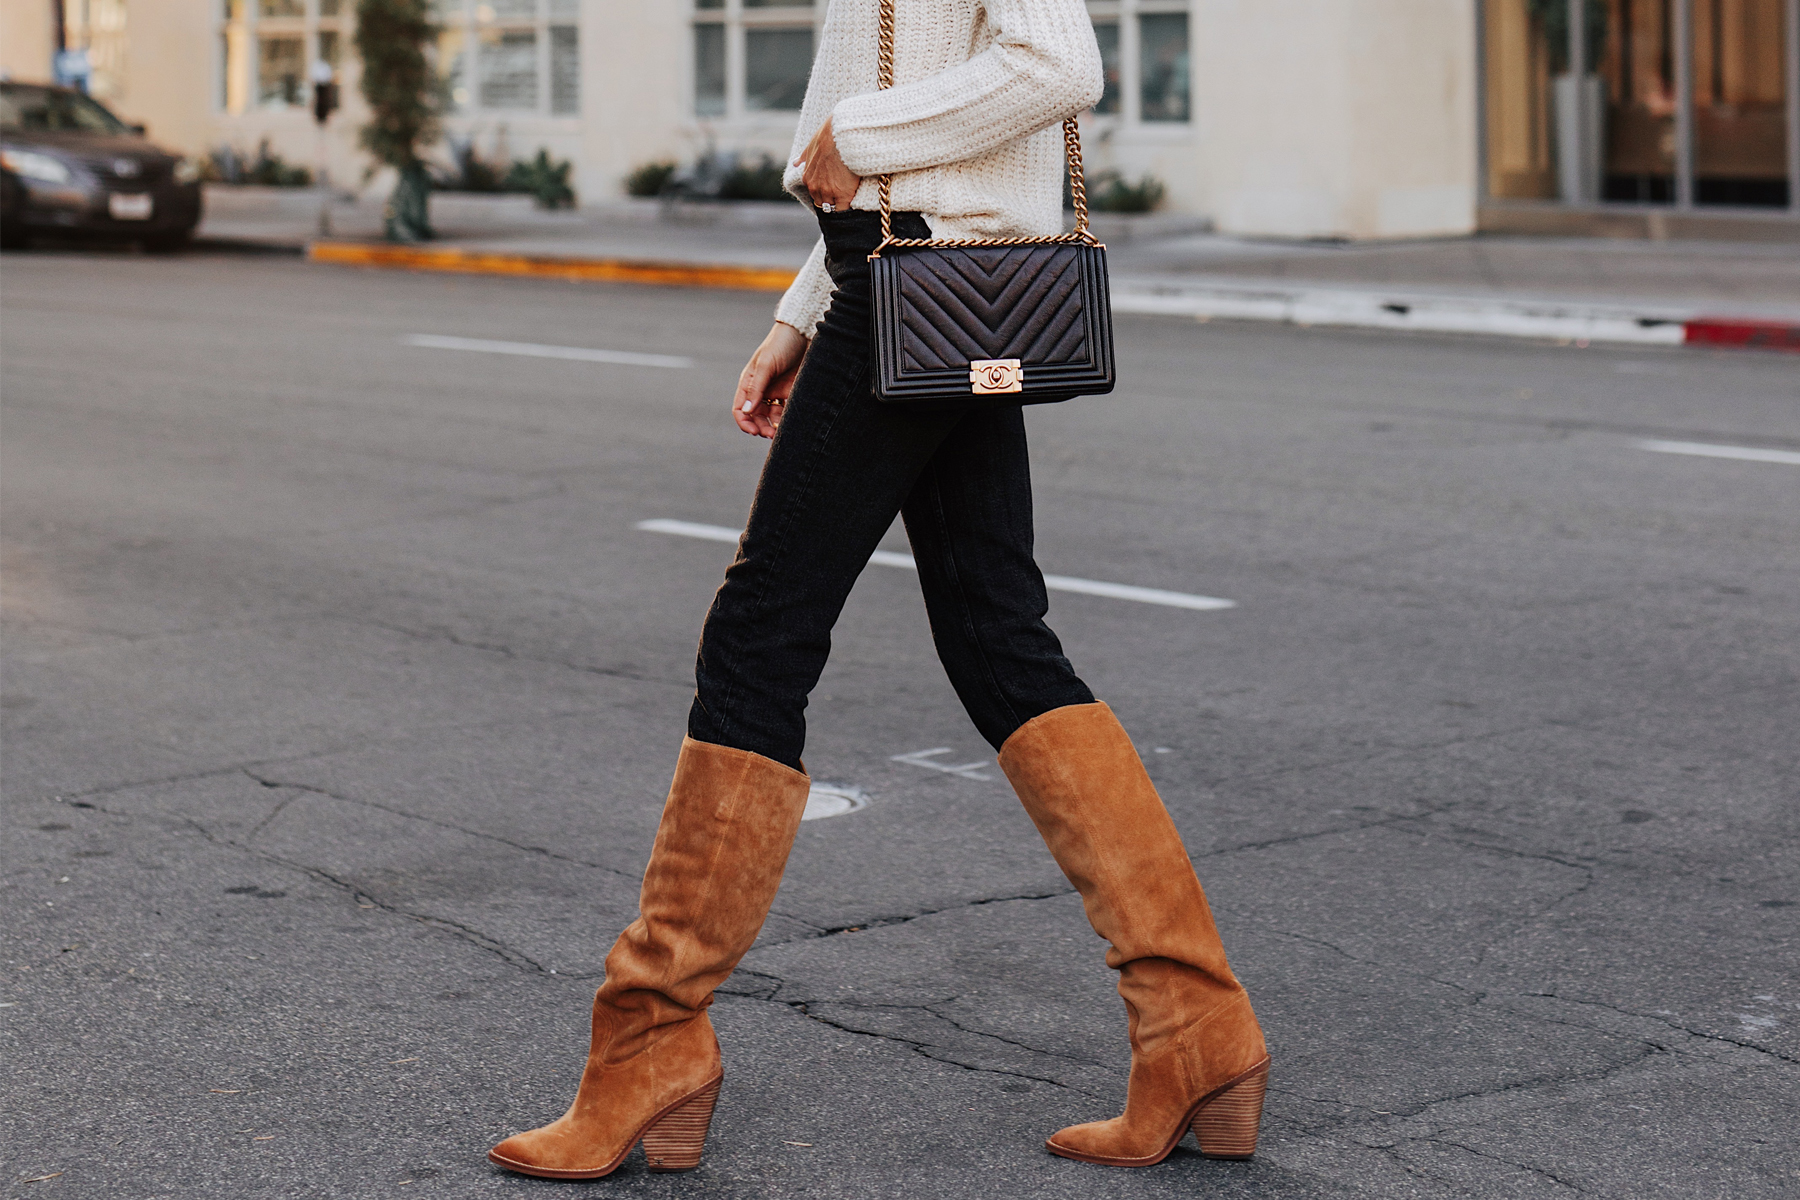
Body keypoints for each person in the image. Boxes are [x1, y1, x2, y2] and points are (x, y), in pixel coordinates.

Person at [487, 0, 1267, 1179]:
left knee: (763, 631)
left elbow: (1056, 62)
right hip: (917, 284)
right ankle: (1196, 1024)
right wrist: (800, 314)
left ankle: (649, 1042)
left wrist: (858, 132)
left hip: (928, 282)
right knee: (1002, 641)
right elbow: (873, 150)